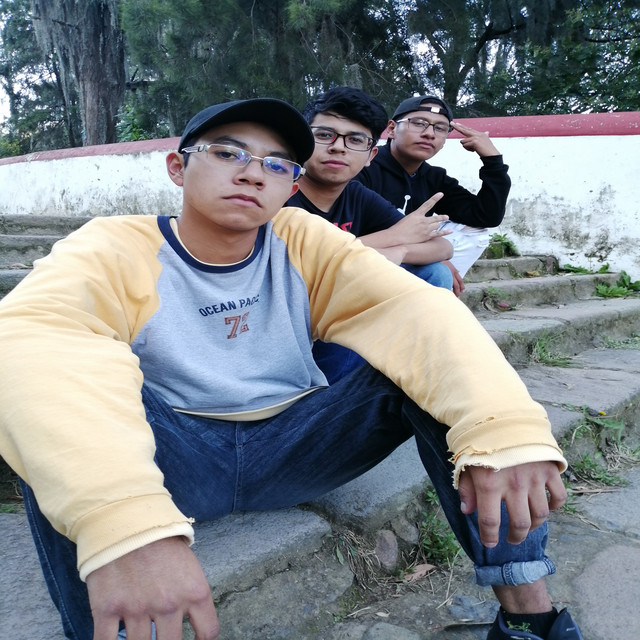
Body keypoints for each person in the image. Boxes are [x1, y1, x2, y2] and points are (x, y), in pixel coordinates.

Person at [0, 97, 582, 640]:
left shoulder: (302, 238)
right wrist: (122, 523)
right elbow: (41, 335)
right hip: (175, 453)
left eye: (277, 165)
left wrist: (505, 430)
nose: (254, 174)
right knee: (57, 414)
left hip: (298, 444)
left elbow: (414, 312)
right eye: (227, 153)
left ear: (291, 185)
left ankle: (528, 618)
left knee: (435, 376)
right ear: (178, 167)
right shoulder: (112, 244)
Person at [287, 86, 454, 382]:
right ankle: (324, 388)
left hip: (336, 312)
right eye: (325, 135)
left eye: (355, 140)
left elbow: (443, 248)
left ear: (370, 155)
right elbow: (298, 263)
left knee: (434, 273)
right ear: (301, 142)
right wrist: (390, 238)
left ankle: (397, 373)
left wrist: (400, 250)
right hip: (289, 311)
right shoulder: (278, 189)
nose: (339, 148)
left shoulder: (356, 194)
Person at [355, 94, 511, 296]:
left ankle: (435, 299)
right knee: (436, 269)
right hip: (361, 256)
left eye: (440, 128)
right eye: (419, 123)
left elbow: (486, 216)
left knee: (474, 232)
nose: (429, 133)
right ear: (392, 129)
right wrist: (432, 255)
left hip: (407, 255)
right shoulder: (362, 166)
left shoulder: (434, 177)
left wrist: (493, 161)